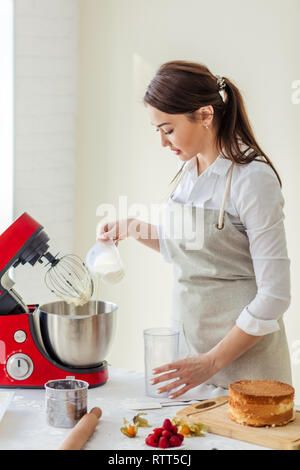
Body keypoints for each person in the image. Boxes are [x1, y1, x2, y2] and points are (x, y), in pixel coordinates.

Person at [97, 60, 292, 399]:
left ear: (205, 115)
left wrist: (211, 362)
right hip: (192, 364)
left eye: (168, 129)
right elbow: (193, 252)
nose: (163, 142)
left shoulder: (252, 181)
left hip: (247, 371)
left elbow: (275, 296)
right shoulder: (188, 173)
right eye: (157, 130)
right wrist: (131, 227)